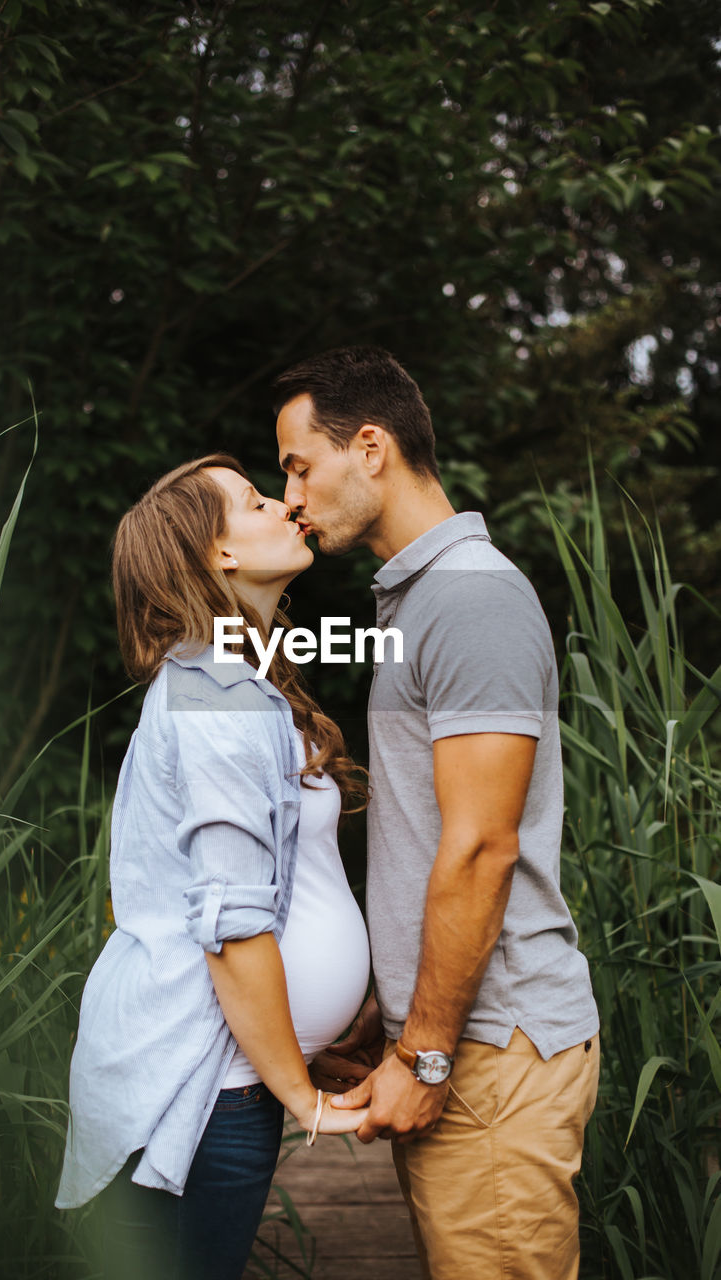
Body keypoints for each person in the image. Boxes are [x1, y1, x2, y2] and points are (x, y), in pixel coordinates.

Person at [272, 347, 600, 1280]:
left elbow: (483, 849)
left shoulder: (470, 598)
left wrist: (424, 1055)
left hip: (489, 1051)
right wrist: (393, 1016)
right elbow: (431, 837)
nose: (289, 493)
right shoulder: (419, 601)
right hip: (461, 1041)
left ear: (369, 447)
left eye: (299, 463)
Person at [55, 453, 371, 1280]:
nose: (286, 504)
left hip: (232, 1078)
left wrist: (302, 1049)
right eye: (257, 500)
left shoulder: (231, 681)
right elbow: (232, 928)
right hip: (202, 1091)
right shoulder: (215, 696)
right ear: (218, 555)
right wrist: (302, 1100)